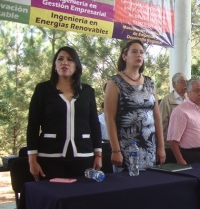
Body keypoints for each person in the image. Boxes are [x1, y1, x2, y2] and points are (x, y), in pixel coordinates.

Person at [27, 46, 102, 181]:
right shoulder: (43, 90)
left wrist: (98, 155)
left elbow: (94, 125)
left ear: (77, 66)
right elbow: (33, 126)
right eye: (60, 59)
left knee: (80, 198)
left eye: (70, 59)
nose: (64, 62)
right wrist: (32, 160)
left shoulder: (87, 91)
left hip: (84, 157)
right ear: (55, 66)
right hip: (49, 158)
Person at [104, 40, 166, 171]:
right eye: (134, 51)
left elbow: (157, 117)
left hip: (150, 146)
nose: (139, 55)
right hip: (126, 147)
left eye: (142, 52)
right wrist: (115, 150)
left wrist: (161, 146)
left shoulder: (150, 82)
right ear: (124, 56)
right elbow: (109, 118)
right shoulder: (114, 82)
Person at [167, 77, 200, 164]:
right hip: (191, 156)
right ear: (188, 92)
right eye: (197, 90)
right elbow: (173, 140)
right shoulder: (180, 111)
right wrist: (180, 160)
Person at [159, 72, 187, 147]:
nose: (185, 84)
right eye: (182, 81)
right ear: (174, 84)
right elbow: (162, 123)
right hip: (172, 144)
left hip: (188, 144)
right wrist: (163, 145)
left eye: (187, 82)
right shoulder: (167, 100)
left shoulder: (189, 99)